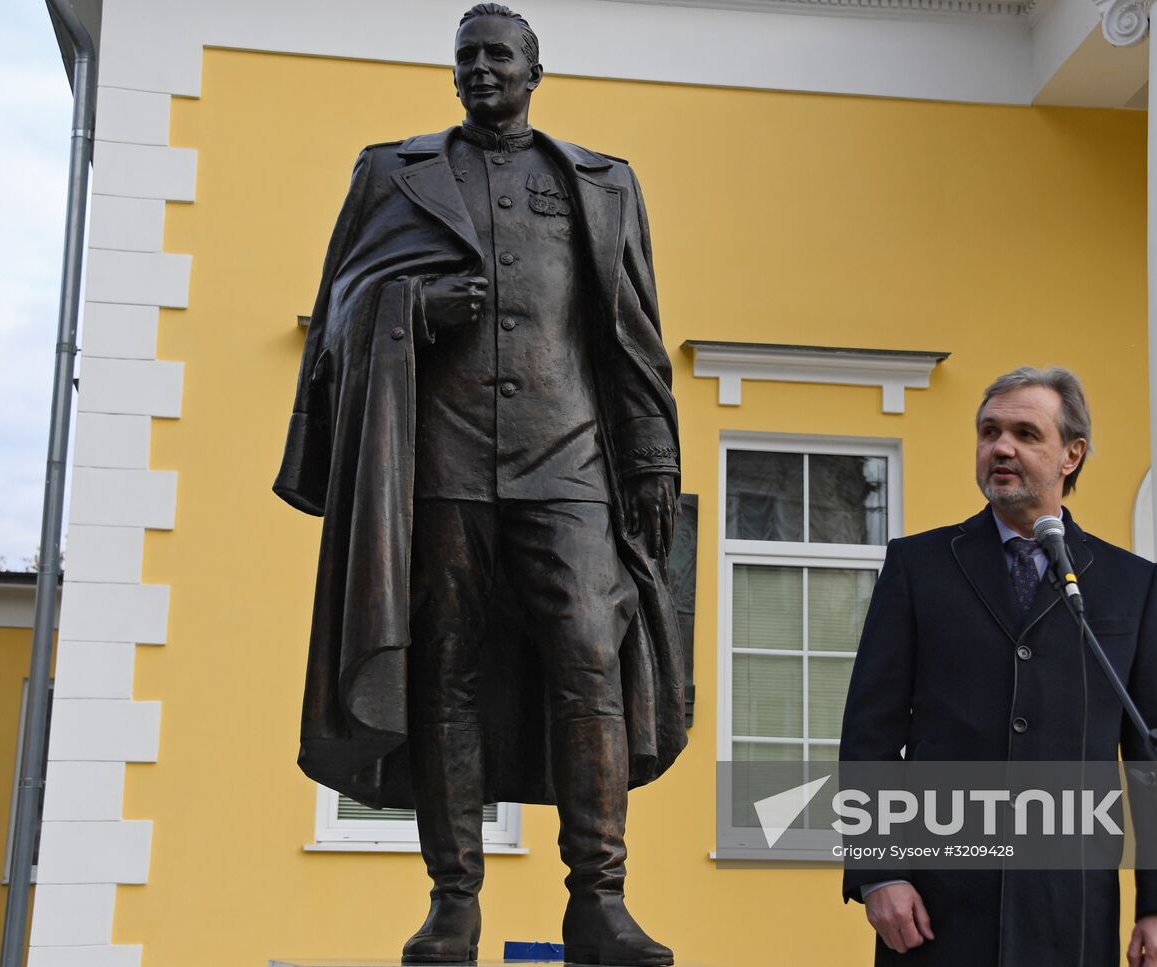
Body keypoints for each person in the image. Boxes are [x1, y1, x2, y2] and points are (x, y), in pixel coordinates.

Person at [273, 5, 684, 965]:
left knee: (591, 654)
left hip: (570, 456)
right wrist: (408, 305)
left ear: (536, 70)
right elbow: (339, 313)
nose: (480, 69)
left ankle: (600, 898)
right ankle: (453, 899)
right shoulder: (393, 171)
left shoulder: (599, 181)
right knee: (445, 668)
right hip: (444, 459)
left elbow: (630, 329)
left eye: (499, 54)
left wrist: (653, 453)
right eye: (466, 57)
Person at [839, 366, 1157, 966]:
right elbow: (869, 736)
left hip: (1070, 910)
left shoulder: (1128, 585)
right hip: (935, 905)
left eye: (1026, 434)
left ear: (1071, 454)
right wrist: (880, 872)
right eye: (989, 432)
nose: (1001, 447)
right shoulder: (917, 567)